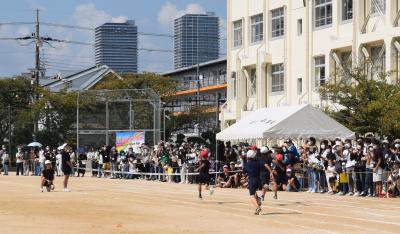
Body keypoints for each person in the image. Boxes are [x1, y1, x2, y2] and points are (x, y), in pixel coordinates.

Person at [243, 150, 263, 215]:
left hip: (252, 180)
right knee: (254, 192)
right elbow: (261, 168)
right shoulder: (258, 162)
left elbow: (244, 173)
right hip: (259, 179)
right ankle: (258, 199)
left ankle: (257, 207)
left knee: (251, 195)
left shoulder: (246, 164)